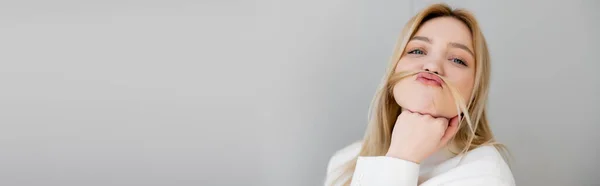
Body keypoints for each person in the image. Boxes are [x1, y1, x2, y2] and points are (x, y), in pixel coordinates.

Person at [324, 3, 515, 186]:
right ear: (393, 71)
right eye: (417, 50)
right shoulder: (344, 162)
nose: (432, 66)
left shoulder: (486, 174)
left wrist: (402, 158)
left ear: (475, 89)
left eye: (457, 59)